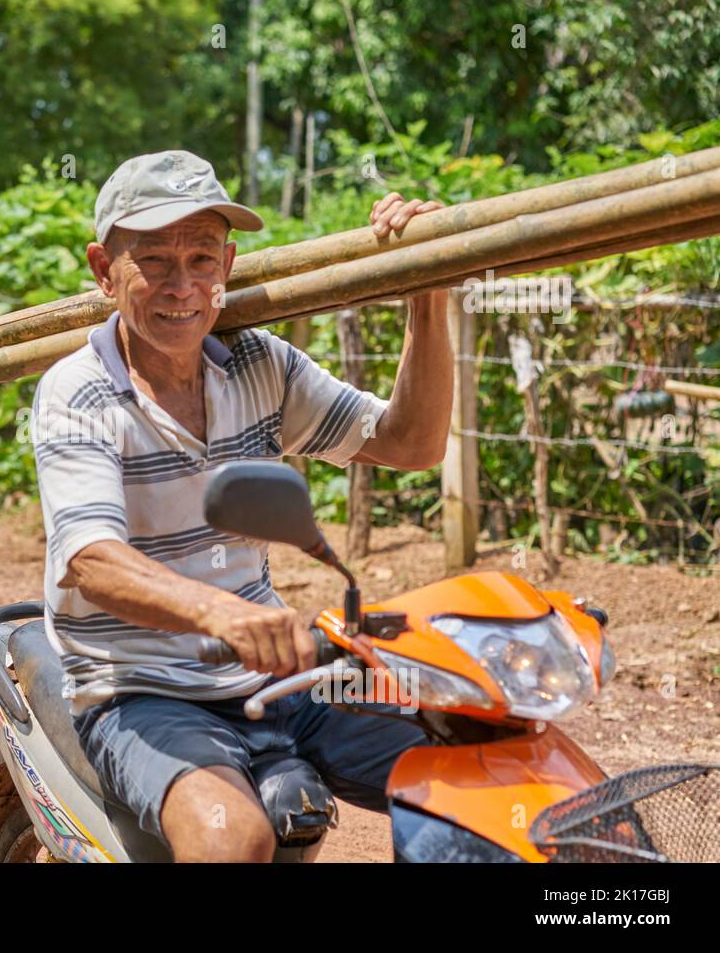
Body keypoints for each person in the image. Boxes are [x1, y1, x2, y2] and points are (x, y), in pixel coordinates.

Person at [32, 149, 451, 861]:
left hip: (276, 673)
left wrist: (428, 290)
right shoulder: (79, 392)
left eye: (201, 258)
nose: (183, 286)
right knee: (235, 843)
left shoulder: (262, 365)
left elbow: (409, 442)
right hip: (141, 687)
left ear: (228, 265)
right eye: (155, 261)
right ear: (105, 270)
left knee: (465, 774)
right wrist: (226, 613)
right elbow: (92, 562)